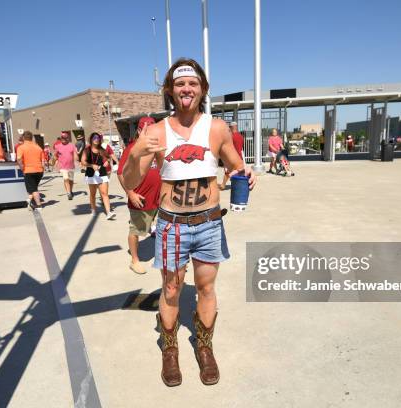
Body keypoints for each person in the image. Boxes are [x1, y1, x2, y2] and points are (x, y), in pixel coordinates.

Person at [122, 58, 256, 387]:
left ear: (203, 90)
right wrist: (138, 151)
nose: (186, 89)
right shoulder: (155, 132)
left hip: (209, 223)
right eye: (180, 84)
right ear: (170, 90)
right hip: (172, 225)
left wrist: (245, 173)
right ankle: (170, 351)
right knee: (171, 289)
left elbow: (236, 166)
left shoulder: (217, 128)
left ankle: (205, 347)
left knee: (207, 287)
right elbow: (128, 180)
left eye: (193, 83)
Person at [117, 116, 160, 275]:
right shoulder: (133, 148)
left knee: (163, 228)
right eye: (147, 129)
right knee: (136, 230)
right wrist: (130, 193)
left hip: (159, 198)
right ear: (140, 131)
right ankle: (134, 260)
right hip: (141, 198)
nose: (151, 132)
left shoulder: (158, 147)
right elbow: (121, 173)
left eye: (153, 129)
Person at [81, 132, 116, 219]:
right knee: (93, 194)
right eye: (94, 138)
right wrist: (91, 165)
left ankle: (108, 213)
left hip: (102, 173)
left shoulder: (102, 150)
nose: (96, 140)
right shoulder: (87, 150)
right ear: (91, 139)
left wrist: (107, 162)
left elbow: (107, 158)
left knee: (104, 193)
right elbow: (83, 161)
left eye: (98, 138)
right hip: (91, 174)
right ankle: (93, 209)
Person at [17, 131, 46, 211]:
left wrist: (22, 168)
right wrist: (42, 169)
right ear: (31, 138)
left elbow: (19, 159)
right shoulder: (38, 147)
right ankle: (29, 201)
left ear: (23, 138)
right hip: (39, 170)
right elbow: (43, 160)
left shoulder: (21, 147)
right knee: (33, 187)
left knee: (33, 189)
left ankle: (39, 205)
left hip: (29, 170)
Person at [219, 121, 244, 190]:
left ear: (232, 127)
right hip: (239, 157)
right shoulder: (241, 136)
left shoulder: (231, 137)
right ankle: (238, 185)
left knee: (227, 172)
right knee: (238, 172)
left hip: (231, 158)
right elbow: (241, 147)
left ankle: (223, 185)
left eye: (229, 127)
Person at [54, 132, 76, 200]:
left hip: (71, 166)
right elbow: (55, 156)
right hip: (63, 166)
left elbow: (75, 155)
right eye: (62, 138)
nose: (63, 139)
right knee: (66, 179)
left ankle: (70, 190)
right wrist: (55, 164)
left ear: (67, 138)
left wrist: (78, 161)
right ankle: (68, 193)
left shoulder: (72, 145)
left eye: (64, 138)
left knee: (71, 180)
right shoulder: (58, 146)